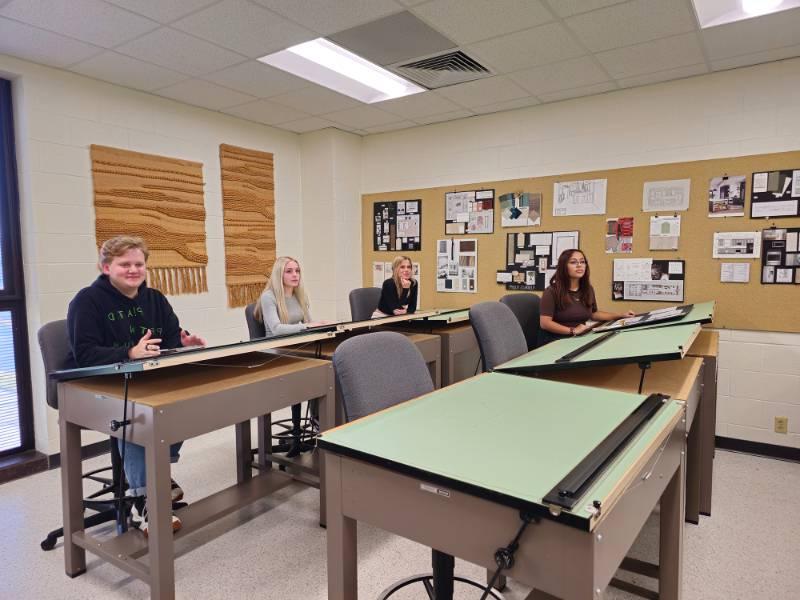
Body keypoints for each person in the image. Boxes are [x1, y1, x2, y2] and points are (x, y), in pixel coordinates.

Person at [67, 236, 206, 535]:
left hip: (143, 380)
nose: (133, 270)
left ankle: (156, 472)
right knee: (136, 413)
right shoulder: (86, 301)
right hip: (98, 385)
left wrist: (181, 343)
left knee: (186, 398)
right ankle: (146, 500)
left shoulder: (155, 298)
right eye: (124, 264)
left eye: (138, 264)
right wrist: (129, 352)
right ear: (106, 267)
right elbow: (84, 354)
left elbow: (167, 341)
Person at [538, 249, 634, 345]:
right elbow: (545, 323)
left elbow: (593, 314)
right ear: (564, 267)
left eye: (582, 262)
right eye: (573, 262)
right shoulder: (551, 291)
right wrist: (572, 330)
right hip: (556, 341)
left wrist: (620, 315)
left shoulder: (587, 289)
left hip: (579, 338)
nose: (579, 265)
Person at [253, 256, 329, 336]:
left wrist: (322, 324)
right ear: (279, 275)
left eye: (297, 271)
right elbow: (276, 329)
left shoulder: (300, 295)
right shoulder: (268, 297)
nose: (295, 275)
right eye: (289, 271)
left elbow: (308, 323)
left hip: (296, 342)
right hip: (275, 345)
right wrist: (307, 326)